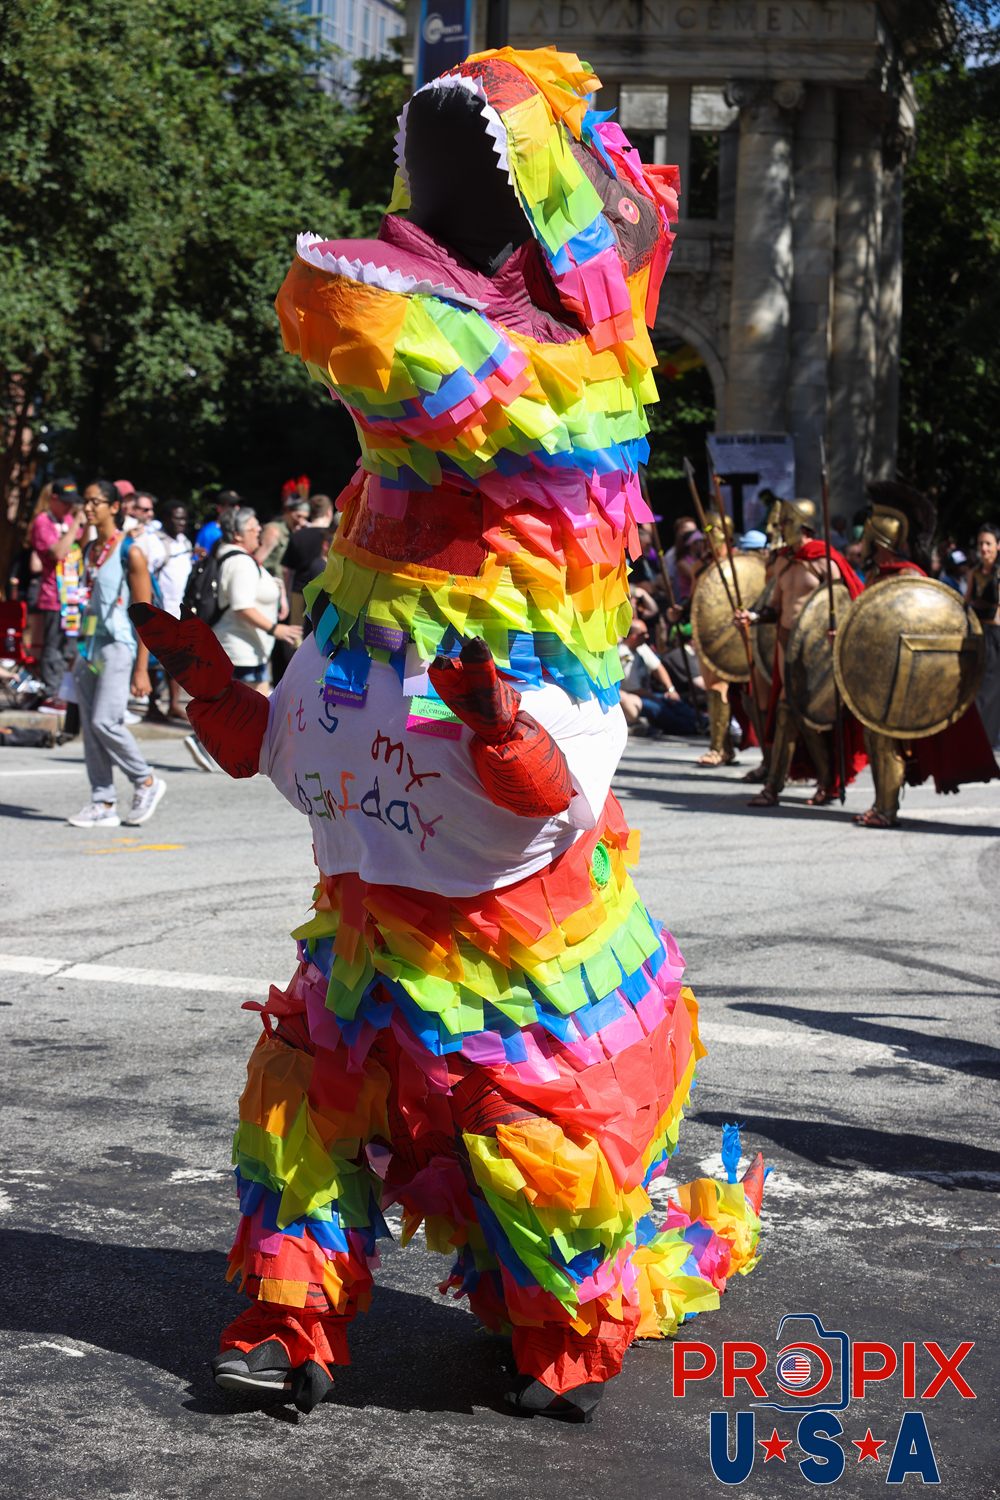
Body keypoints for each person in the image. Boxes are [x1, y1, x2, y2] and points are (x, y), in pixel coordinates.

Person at [128, 48, 765, 1423]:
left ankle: (558, 1332)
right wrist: (198, 670)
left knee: (533, 1156)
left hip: (514, 960)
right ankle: (284, 1323)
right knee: (300, 1103)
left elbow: (546, 792)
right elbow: (276, 750)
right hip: (366, 951)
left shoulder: (556, 622)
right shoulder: (364, 588)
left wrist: (490, 722)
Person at [854, 485, 998, 826]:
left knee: (888, 738)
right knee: (873, 736)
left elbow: (925, 625)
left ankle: (888, 810)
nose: (863, 546)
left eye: (869, 540)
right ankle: (879, 803)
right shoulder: (875, 576)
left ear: (880, 542)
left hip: (902, 672)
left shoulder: (910, 576)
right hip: (875, 670)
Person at [736, 497, 865, 807]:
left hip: (816, 651)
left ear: (800, 525)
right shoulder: (783, 562)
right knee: (789, 713)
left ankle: (803, 784)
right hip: (785, 648)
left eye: (785, 523)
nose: (780, 529)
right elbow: (775, 608)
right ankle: (788, 785)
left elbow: (843, 603)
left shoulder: (825, 559)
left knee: (802, 715)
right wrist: (753, 617)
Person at [68, 481, 166, 828]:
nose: (88, 508)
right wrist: (76, 648)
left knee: (104, 721)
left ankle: (146, 781)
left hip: (119, 646)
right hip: (88, 646)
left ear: (114, 507)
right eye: (86, 502)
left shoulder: (130, 551)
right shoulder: (90, 548)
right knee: (91, 729)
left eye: (96, 502)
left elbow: (145, 613)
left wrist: (142, 668)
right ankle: (102, 801)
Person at [183, 507, 302, 771]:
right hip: (240, 646)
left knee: (256, 706)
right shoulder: (239, 562)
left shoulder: (234, 557)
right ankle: (202, 740)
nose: (258, 530)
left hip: (245, 645)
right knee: (245, 706)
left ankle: (257, 756)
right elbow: (241, 605)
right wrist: (276, 629)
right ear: (237, 534)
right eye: (252, 527)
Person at [26, 477, 87, 710]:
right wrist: (74, 526)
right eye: (65, 502)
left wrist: (84, 523)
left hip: (72, 595)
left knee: (69, 649)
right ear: (53, 499)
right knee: (53, 647)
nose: (69, 507)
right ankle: (51, 694)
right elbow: (58, 552)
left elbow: (82, 543)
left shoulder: (68, 518)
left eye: (72, 503)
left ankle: (65, 693)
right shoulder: (43, 522)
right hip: (54, 595)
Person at [145, 502, 193, 723]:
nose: (181, 523)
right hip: (159, 612)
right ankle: (152, 705)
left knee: (178, 661)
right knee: (155, 663)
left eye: (184, 518)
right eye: (177, 518)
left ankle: (173, 705)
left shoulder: (184, 542)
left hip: (179, 613)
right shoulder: (154, 542)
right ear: (165, 518)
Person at [618, 621, 698, 736]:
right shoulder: (623, 654)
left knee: (675, 701)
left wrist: (670, 689)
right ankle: (691, 729)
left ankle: (702, 722)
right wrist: (655, 698)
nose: (647, 636)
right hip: (634, 695)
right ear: (633, 636)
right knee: (659, 709)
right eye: (643, 633)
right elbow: (634, 688)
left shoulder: (642, 647)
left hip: (647, 693)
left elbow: (658, 667)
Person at [281, 493, 337, 632]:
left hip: (299, 592)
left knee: (296, 634)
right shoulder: (333, 536)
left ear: (310, 512)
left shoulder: (298, 535)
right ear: (329, 512)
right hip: (326, 593)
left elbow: (286, 570)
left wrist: (287, 596)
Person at [966, 522, 1000, 747]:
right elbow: (966, 601)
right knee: (975, 688)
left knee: (990, 689)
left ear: (998, 546)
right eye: (981, 544)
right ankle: (977, 742)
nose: (984, 548)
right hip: (977, 633)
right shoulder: (974, 572)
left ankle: (984, 742)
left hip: (996, 636)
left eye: (988, 543)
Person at [194, 489, 242, 557]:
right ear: (219, 508)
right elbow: (199, 559)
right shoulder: (208, 532)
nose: (237, 508)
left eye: (238, 504)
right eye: (232, 505)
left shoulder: (241, 530)